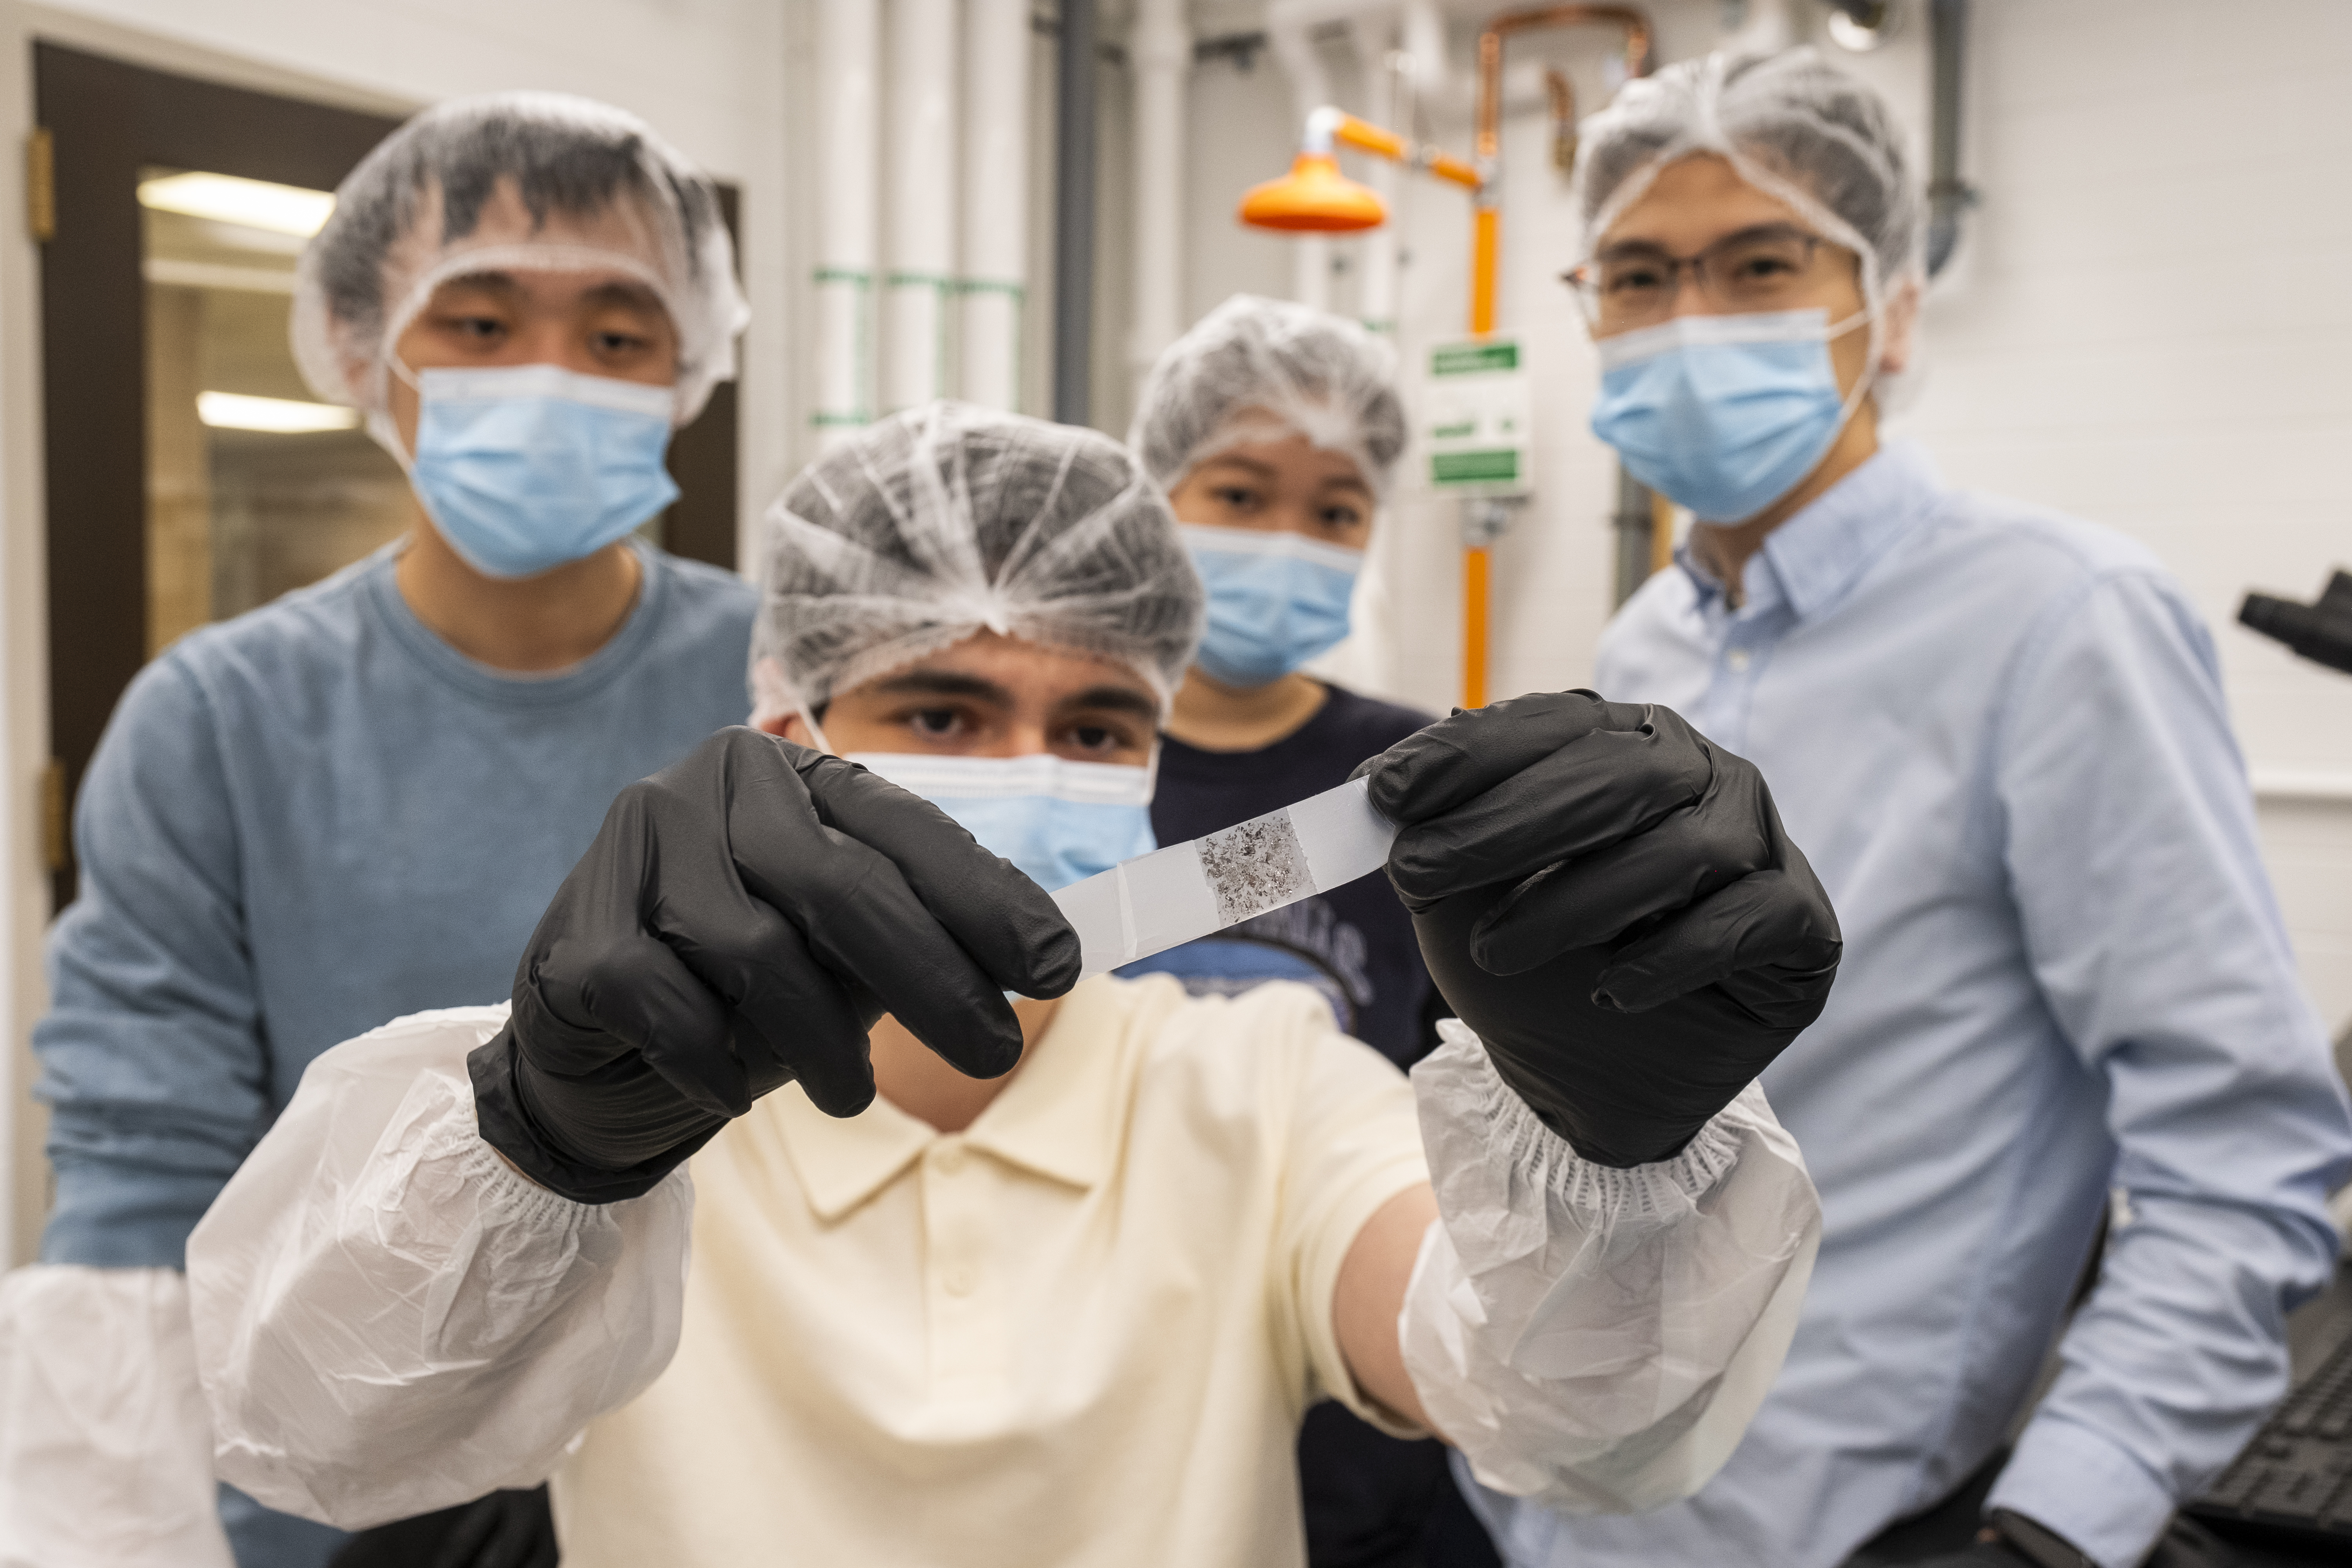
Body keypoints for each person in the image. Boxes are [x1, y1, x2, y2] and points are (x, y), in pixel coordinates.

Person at [186, 401, 1838, 1566]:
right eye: (944, 712)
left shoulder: (1256, 1079)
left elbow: (1553, 1408)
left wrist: (1614, 1151)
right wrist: (539, 1139)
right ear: (792, 742)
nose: (1029, 773)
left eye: (1102, 727)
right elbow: (316, 1436)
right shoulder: (624, 1067)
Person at [1468, 48, 2352, 1568]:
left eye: (1759, 262)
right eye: (1637, 275)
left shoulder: (2060, 621)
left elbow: (2245, 1157)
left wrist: (2064, 1518)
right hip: (1566, 1497)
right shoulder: (1644, 648)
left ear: (1888, 299)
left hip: (1854, 1522)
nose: (1691, 319)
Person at [0, 92, 755, 1568]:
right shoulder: (219, 717)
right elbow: (144, 1170)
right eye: (477, 324)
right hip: (340, 1482)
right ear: (367, 348)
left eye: (617, 333)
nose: (550, 374)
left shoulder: (783, 689)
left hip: (723, 1479)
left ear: (691, 367)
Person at [1128, 295, 1479, 1567]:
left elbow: (1464, 1082)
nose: (1289, 538)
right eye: (1237, 493)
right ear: (1150, 497)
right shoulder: (1062, 767)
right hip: (1108, 1333)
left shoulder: (1408, 775)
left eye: (1336, 511)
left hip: (1347, 1337)